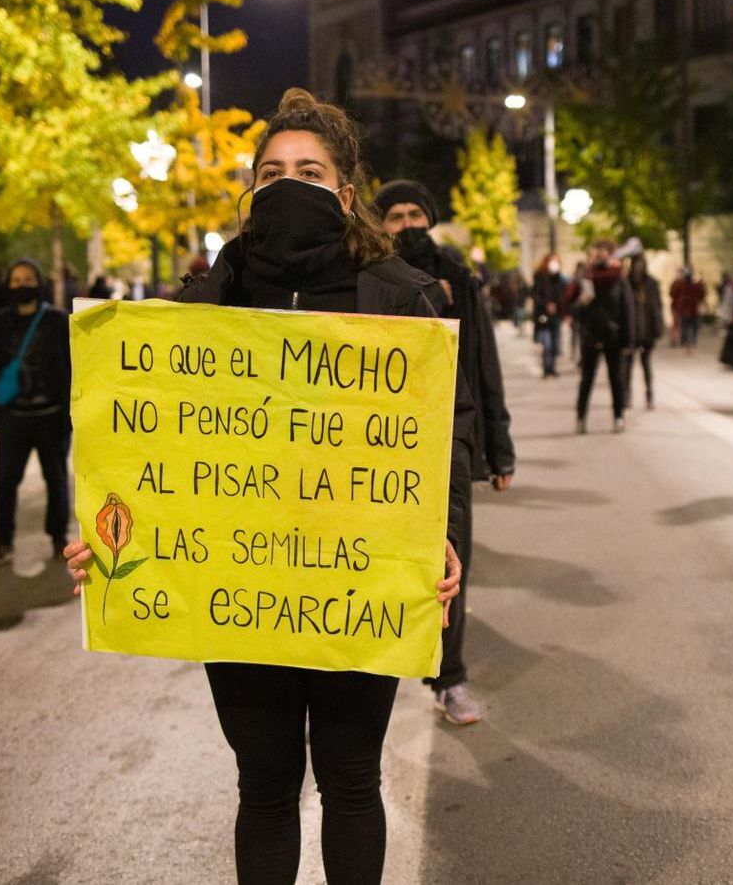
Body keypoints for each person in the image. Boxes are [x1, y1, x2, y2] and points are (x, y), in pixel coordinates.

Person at [64, 88, 465, 885]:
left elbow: (442, 438)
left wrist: (442, 533)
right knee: (266, 787)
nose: (290, 181)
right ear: (251, 190)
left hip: (358, 578)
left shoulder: (401, 295)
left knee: (352, 783)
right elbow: (155, 440)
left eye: (309, 170)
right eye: (273, 170)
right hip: (240, 581)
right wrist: (112, 531)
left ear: (345, 193)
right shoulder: (205, 302)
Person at [376, 179, 516, 726]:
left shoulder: (459, 276)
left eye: (416, 214)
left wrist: (498, 448)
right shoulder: (365, 275)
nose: (407, 225)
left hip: (446, 441)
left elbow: (484, 365)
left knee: (451, 563)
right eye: (395, 216)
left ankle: (449, 678)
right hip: (380, 444)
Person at [0, 259, 73, 567]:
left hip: (51, 417)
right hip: (12, 419)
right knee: (5, 482)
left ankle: (58, 539)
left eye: (28, 278)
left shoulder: (58, 320)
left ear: (39, 282)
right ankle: (3, 540)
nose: (22, 285)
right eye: (16, 280)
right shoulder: (1, 321)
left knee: (55, 480)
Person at [574, 240, 636, 434]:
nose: (598, 257)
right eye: (596, 253)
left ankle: (618, 417)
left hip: (613, 337)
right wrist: (581, 303)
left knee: (616, 380)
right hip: (591, 336)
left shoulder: (620, 279)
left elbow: (627, 311)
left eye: (602, 253)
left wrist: (628, 341)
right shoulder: (586, 279)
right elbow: (573, 311)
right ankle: (581, 417)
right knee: (587, 379)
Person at [628, 254, 664, 409]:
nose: (638, 267)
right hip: (631, 331)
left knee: (646, 365)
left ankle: (649, 394)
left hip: (647, 331)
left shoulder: (651, 284)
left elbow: (657, 307)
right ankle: (626, 395)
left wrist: (657, 329)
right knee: (627, 366)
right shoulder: (627, 283)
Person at [532, 253, 567, 378]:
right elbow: (536, 296)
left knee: (555, 344)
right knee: (547, 343)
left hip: (556, 316)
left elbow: (563, 295)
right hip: (543, 316)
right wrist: (546, 305)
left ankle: (552, 367)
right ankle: (546, 368)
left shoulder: (559, 279)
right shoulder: (539, 277)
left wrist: (558, 307)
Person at [670, 267, 706, 354]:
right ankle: (689, 345)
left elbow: (672, 294)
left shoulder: (681, 285)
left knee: (689, 328)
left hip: (689, 310)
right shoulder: (680, 285)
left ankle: (689, 345)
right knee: (689, 328)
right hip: (687, 310)